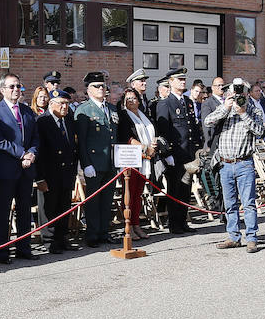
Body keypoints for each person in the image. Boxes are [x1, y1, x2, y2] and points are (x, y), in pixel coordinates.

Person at [204, 79, 265, 252]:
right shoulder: (225, 108)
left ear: (247, 93)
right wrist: (226, 107)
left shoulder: (253, 110)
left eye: (241, 93)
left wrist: (243, 113)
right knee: (230, 204)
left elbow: (260, 131)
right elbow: (208, 121)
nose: (238, 96)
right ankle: (233, 236)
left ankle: (252, 237)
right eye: (234, 93)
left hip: (244, 163)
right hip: (225, 163)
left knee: (248, 203)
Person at [0, 72, 39, 263]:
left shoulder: (26, 110)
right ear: (2, 90)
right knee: (3, 212)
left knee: (24, 211)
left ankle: (24, 248)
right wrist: (22, 153)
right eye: (12, 86)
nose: (16, 90)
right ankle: (2, 252)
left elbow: (35, 137)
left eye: (19, 86)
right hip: (5, 169)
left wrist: (32, 153)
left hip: (26, 169)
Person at [154, 67, 202, 233]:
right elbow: (163, 131)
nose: (183, 81)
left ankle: (183, 221)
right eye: (179, 79)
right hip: (174, 154)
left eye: (184, 79)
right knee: (175, 189)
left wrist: (197, 150)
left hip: (187, 154)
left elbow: (192, 127)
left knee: (185, 189)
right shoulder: (165, 103)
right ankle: (174, 224)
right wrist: (167, 154)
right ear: (171, 82)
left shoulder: (188, 102)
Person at [75, 71, 119, 247]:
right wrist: (86, 164)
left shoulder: (112, 108)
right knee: (93, 201)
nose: (101, 89)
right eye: (97, 86)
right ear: (88, 89)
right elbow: (81, 141)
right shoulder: (84, 110)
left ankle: (103, 232)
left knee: (107, 200)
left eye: (103, 86)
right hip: (93, 163)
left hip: (110, 162)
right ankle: (92, 234)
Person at [115, 87, 163, 241]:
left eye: (134, 98)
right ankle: (128, 227)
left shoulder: (144, 115)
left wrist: (153, 146)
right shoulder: (123, 116)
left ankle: (136, 224)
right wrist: (144, 147)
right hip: (130, 159)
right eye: (128, 99)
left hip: (145, 159)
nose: (131, 101)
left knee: (138, 194)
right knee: (128, 194)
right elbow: (126, 137)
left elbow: (152, 132)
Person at [35, 88, 79, 253]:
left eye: (67, 103)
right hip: (49, 174)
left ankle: (62, 238)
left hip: (66, 173)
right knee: (49, 208)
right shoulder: (42, 121)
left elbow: (73, 147)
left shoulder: (68, 120)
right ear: (51, 103)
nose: (65, 107)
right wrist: (39, 178)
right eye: (61, 103)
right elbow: (38, 152)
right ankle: (49, 240)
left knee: (64, 207)